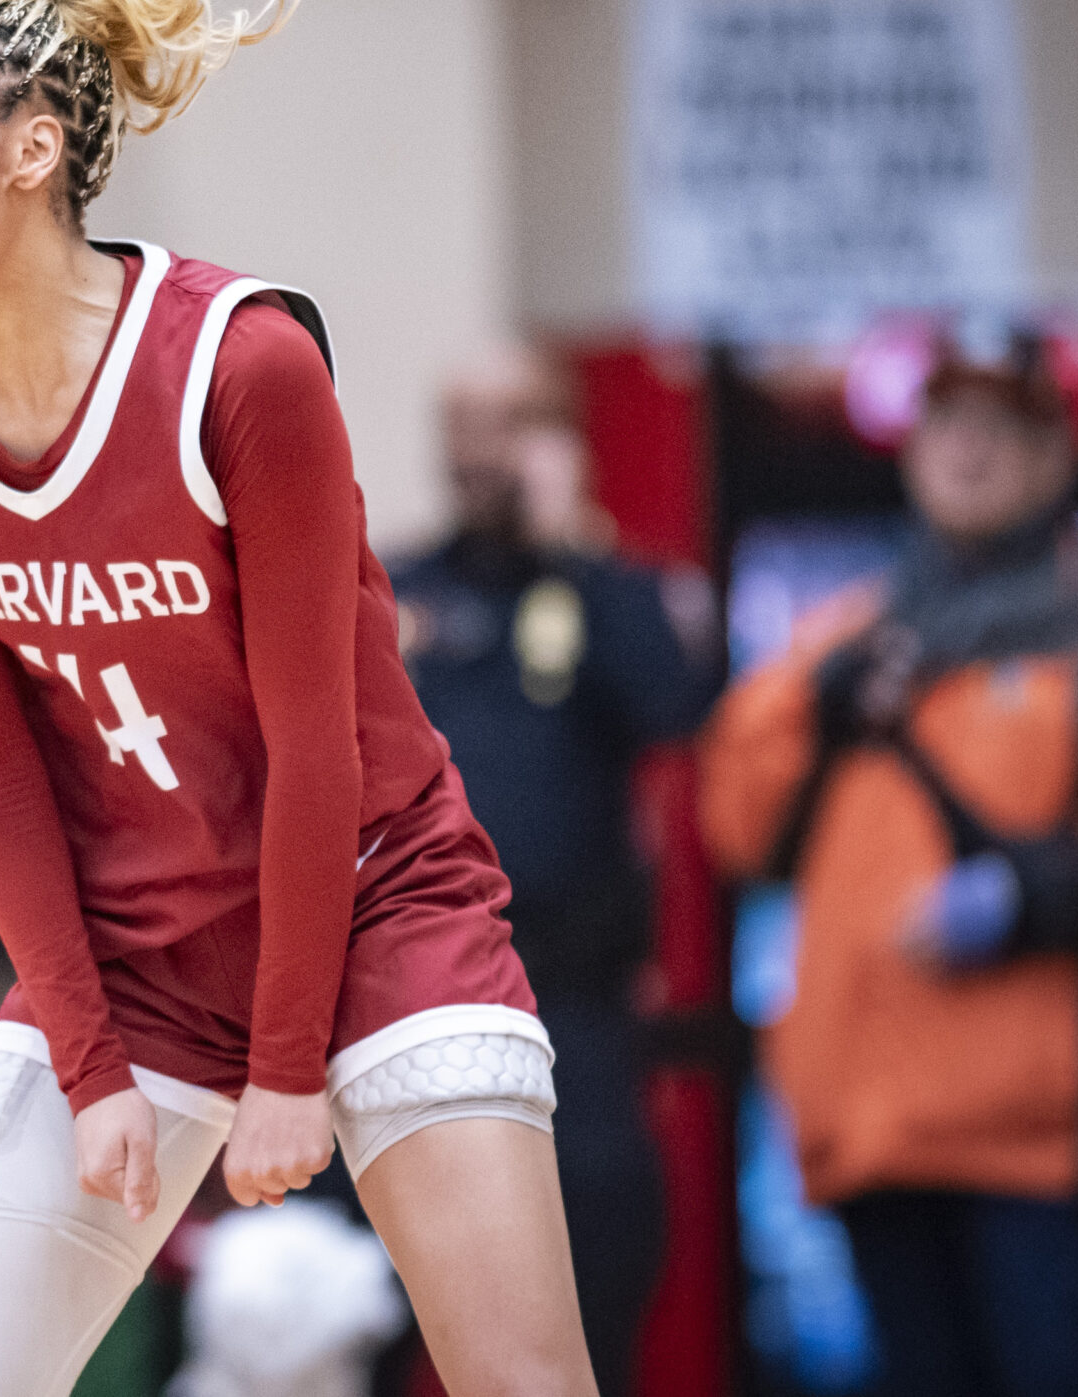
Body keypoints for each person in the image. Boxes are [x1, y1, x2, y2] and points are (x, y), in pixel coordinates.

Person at [0, 0, 592, 1397]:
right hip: (133, 948)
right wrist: (88, 1060)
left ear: (32, 150)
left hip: (376, 905)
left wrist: (288, 1065)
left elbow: (319, 745)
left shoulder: (240, 365)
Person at [700, 335, 1078, 1397]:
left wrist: (1035, 896)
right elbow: (734, 827)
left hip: (1045, 1134)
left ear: (1057, 452)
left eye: (1001, 424)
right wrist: (821, 714)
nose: (967, 448)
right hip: (872, 1126)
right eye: (945, 421)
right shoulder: (841, 636)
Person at [381, 350, 718, 1397]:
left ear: (559, 437)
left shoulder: (616, 590)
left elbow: (675, 704)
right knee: (368, 1303)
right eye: (461, 424)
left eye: (507, 423)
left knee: (590, 1283)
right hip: (407, 1000)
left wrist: (572, 544)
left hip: (572, 1008)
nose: (478, 452)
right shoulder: (394, 589)